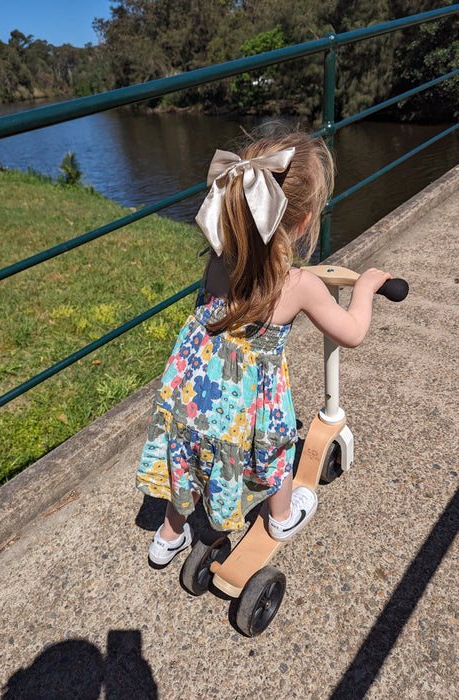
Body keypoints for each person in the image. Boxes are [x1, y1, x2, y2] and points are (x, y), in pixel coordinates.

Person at [136, 127, 391, 567]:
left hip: (189, 395)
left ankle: (168, 536)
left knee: (188, 452)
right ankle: (282, 517)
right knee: (274, 445)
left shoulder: (217, 261)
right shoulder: (298, 285)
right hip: (245, 406)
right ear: (304, 221)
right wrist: (365, 286)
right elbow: (351, 332)